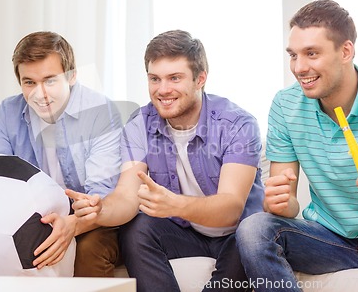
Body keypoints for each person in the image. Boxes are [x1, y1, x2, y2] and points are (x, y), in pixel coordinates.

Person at [67, 29, 264, 292]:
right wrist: (101, 209)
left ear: (200, 78)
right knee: (138, 227)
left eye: (174, 78)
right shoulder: (140, 123)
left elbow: (231, 208)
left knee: (251, 237)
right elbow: (127, 196)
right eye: (154, 79)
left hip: (235, 234)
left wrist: (176, 205)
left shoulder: (237, 124)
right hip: (183, 232)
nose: (163, 90)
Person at [236, 0, 358, 292]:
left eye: (311, 53)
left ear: (346, 51)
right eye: (293, 55)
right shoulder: (286, 105)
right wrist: (281, 203)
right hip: (327, 240)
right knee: (254, 229)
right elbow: (288, 204)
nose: (299, 68)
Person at [0, 31, 122, 277]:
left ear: (71, 77)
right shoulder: (8, 112)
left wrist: (73, 225)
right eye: (30, 83)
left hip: (92, 217)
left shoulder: (101, 112)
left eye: (50, 80)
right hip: (31, 216)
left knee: (89, 250)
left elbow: (101, 196)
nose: (40, 94)